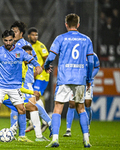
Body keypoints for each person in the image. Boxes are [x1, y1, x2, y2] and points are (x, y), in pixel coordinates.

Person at [44, 13, 94, 148]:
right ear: (78, 24)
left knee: (58, 108)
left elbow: (51, 56)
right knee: (81, 108)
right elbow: (90, 62)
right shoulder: (87, 40)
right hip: (80, 78)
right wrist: (89, 78)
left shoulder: (60, 38)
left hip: (64, 78)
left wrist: (46, 65)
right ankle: (86, 140)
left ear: (66, 24)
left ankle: (55, 139)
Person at [3, 45, 49, 142]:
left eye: (31, 55)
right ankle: (39, 135)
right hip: (12, 94)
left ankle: (12, 131)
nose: (30, 57)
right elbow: (17, 85)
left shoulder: (25, 65)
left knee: (28, 114)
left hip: (18, 91)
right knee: (34, 107)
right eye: (28, 55)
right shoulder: (18, 67)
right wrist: (32, 92)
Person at [63, 52, 100, 137]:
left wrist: (90, 77)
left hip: (87, 83)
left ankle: (87, 127)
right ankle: (68, 130)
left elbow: (97, 67)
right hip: (76, 82)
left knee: (87, 103)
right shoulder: (75, 54)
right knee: (72, 104)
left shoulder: (93, 55)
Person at [9, 21, 37, 127]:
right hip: (24, 79)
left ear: (21, 33)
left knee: (23, 106)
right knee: (25, 107)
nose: (13, 33)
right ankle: (43, 123)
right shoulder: (19, 44)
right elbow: (35, 59)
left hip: (24, 80)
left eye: (15, 32)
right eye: (12, 31)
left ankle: (46, 122)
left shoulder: (21, 45)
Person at [26, 27, 51, 133]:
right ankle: (34, 120)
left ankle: (45, 121)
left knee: (35, 95)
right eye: (33, 35)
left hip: (42, 76)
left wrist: (39, 69)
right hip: (32, 76)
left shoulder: (40, 46)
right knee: (31, 98)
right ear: (28, 36)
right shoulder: (27, 46)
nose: (35, 37)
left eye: (36, 35)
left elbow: (47, 59)